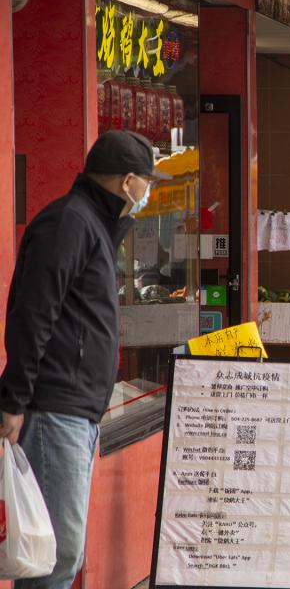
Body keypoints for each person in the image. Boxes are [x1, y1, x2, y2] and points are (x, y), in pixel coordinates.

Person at [0, 130, 170, 588]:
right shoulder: (69, 223)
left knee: (58, 550)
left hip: (78, 411)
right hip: (56, 405)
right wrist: (14, 401)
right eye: (145, 182)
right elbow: (33, 313)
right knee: (56, 553)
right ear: (127, 181)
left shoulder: (92, 224)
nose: (146, 192)